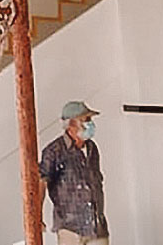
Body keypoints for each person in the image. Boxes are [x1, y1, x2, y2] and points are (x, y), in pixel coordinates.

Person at [39, 100, 110, 245]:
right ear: (71, 124)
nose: (90, 124)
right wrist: (37, 216)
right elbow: (41, 183)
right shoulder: (54, 151)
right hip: (71, 229)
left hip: (96, 227)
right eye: (86, 120)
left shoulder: (92, 148)